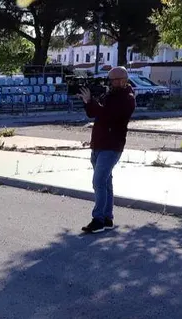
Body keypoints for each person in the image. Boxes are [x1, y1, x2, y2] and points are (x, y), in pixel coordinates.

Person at [79, 66, 136, 234]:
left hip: (112, 146)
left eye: (115, 80)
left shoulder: (127, 98)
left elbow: (108, 114)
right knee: (106, 183)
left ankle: (98, 220)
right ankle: (108, 218)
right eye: (110, 80)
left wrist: (93, 102)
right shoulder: (110, 95)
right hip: (99, 144)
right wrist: (87, 101)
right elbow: (93, 114)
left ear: (124, 80)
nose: (112, 83)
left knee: (98, 182)